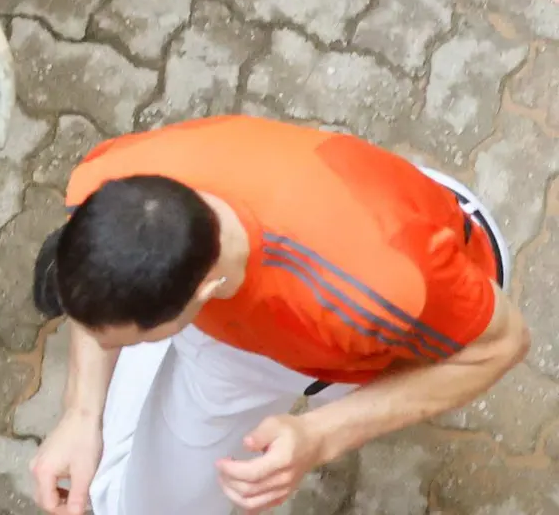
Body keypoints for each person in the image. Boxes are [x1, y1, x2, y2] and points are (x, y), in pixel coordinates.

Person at [26, 114, 530, 515]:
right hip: (271, 312)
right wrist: (81, 412)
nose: (96, 347)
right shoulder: (113, 178)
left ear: (202, 293)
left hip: (430, 304)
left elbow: (502, 346)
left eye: (121, 339)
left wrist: (322, 435)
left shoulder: (375, 291)